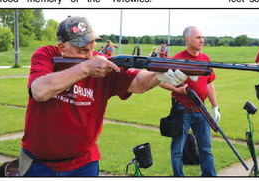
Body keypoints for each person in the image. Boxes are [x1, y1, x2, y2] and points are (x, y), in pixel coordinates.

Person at [20, 16, 189, 176]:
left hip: (84, 164)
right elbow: (40, 91)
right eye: (82, 50)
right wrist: (85, 68)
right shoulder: (47, 55)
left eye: (92, 49)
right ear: (62, 48)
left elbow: (137, 83)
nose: (89, 55)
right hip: (39, 165)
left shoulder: (101, 63)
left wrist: (159, 76)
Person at [160, 26, 220, 176]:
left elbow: (209, 83)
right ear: (187, 40)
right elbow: (161, 80)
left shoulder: (205, 59)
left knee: (206, 149)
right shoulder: (177, 59)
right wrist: (178, 90)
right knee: (177, 151)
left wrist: (215, 107)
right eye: (198, 37)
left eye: (202, 37)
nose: (202, 40)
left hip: (201, 110)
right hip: (182, 110)